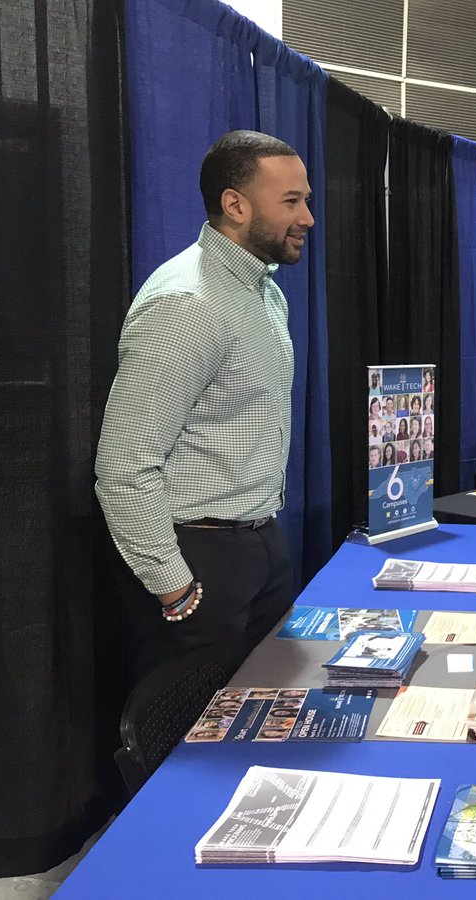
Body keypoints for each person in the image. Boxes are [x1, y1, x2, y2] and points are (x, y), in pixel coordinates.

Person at [95, 130, 312, 680]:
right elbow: (123, 468)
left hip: (260, 543)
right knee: (188, 740)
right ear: (234, 205)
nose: (307, 217)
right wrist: (174, 584)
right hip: (199, 559)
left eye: (305, 199)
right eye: (291, 201)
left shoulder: (265, 292)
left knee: (263, 711)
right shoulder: (187, 304)